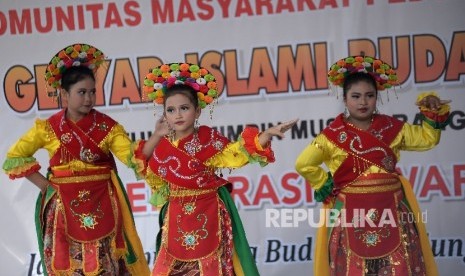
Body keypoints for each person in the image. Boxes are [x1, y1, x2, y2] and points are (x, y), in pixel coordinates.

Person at [2, 43, 154, 275]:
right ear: (64, 94)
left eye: (92, 92)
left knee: (105, 262)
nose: (89, 98)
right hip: (64, 208)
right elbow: (15, 156)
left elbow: (132, 156)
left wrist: (158, 138)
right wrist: (46, 186)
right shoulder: (49, 128)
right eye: (82, 92)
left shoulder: (107, 127)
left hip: (101, 204)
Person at [295, 56, 450, 276]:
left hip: (392, 209)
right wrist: (325, 184)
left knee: (401, 266)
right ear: (345, 99)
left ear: (377, 98)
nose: (363, 102)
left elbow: (427, 138)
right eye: (355, 96)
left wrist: (430, 108)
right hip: (350, 212)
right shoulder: (332, 136)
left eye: (369, 96)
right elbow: (303, 163)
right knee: (353, 268)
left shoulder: (392, 128)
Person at [142, 63, 297, 275]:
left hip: (208, 212)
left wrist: (266, 135)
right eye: (171, 110)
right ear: (164, 115)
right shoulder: (161, 146)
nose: (177, 115)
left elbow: (237, 152)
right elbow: (155, 180)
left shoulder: (208, 139)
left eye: (184, 108)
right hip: (176, 217)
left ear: (197, 111)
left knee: (211, 266)